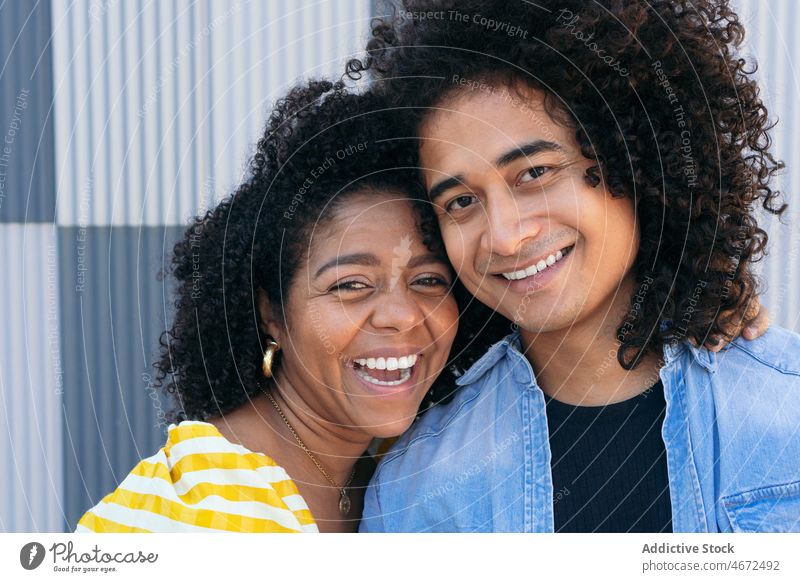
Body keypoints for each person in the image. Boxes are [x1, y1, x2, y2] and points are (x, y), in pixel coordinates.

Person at [354, 0, 799, 532]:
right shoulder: (415, 488)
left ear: (635, 156)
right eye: (460, 202)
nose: (504, 235)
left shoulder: (786, 410)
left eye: (535, 171)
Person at [75, 81, 460, 533]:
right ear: (271, 312)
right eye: (351, 284)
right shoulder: (196, 511)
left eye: (428, 279)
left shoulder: (400, 465)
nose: (403, 314)